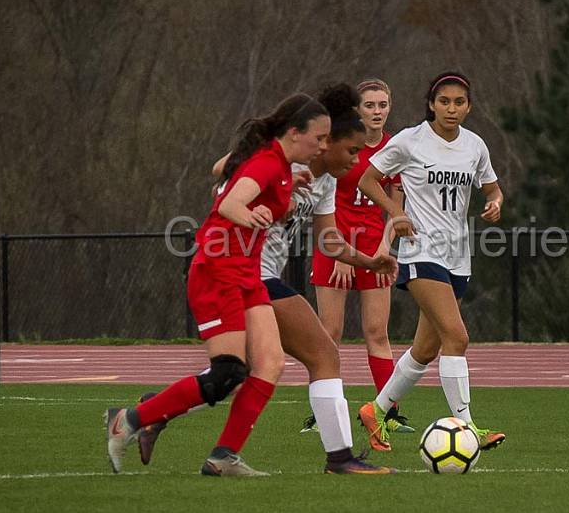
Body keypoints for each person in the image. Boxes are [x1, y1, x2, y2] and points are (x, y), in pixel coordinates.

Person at [132, 84, 399, 475]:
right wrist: (244, 180)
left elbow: (328, 240)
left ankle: (159, 414)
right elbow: (224, 170)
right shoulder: (288, 163)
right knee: (320, 356)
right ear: (325, 143)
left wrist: (369, 261)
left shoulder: (323, 182)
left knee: (243, 375)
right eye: (352, 150)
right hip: (243, 270)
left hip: (259, 274)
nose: (357, 160)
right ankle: (338, 458)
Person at [105, 92, 332, 476]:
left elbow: (226, 177)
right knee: (227, 374)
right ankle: (129, 419)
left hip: (246, 272)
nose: (323, 146)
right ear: (295, 132)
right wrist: (250, 213)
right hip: (218, 270)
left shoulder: (275, 164)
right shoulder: (265, 163)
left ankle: (223, 457)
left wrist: (286, 189)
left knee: (271, 364)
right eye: (319, 138)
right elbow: (228, 206)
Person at [355, 71, 507, 453]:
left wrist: (495, 203)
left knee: (425, 350)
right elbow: (367, 179)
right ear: (431, 104)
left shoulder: (474, 145)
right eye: (444, 102)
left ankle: (376, 411)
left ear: (468, 106)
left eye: (459, 102)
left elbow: (491, 186)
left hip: (459, 257)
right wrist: (395, 213)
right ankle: (469, 427)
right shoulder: (411, 140)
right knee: (457, 337)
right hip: (421, 253)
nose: (451, 109)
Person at [303, 78, 414, 435]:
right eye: (370, 105)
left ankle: (387, 412)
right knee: (328, 335)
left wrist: (384, 247)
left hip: (372, 247)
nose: (377, 112)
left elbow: (396, 207)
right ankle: (321, 415)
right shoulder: (341, 146)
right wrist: (339, 255)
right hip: (335, 246)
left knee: (377, 332)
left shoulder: (395, 148)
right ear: (358, 110)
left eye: (383, 105)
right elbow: (327, 199)